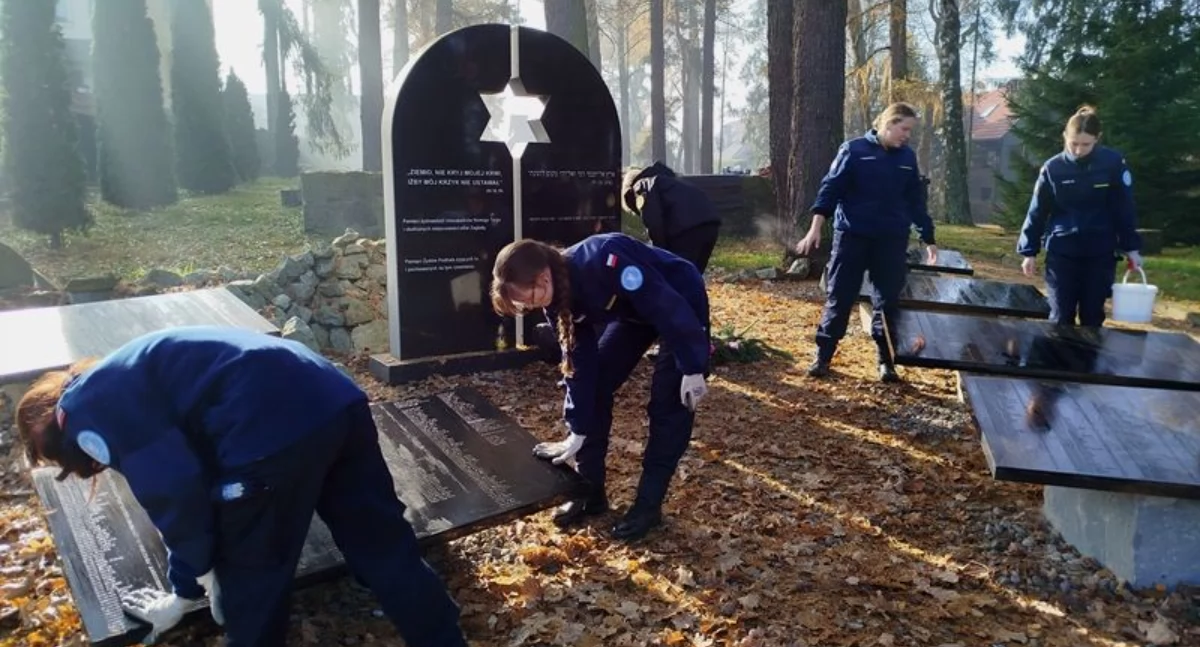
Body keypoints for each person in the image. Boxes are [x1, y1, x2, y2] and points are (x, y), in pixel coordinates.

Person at [15, 327, 467, 647]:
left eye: (63, 459)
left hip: (266, 425)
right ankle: (443, 638)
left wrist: (185, 587)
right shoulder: (121, 372)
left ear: (47, 426)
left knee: (252, 579)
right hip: (334, 397)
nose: (82, 464)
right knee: (382, 543)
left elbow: (176, 492)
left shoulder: (84, 411)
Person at [491, 232, 710, 542]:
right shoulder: (554, 297)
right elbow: (578, 366)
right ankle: (590, 493)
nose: (527, 308)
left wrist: (692, 365)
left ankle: (648, 506)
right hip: (634, 314)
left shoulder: (605, 259)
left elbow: (664, 305)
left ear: (542, 276)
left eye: (527, 300)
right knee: (594, 389)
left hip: (679, 302)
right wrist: (577, 429)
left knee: (670, 403)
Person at [795, 102, 938, 383]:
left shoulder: (907, 158)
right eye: (904, 129)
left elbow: (915, 201)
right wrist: (815, 228)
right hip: (852, 237)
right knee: (840, 297)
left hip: (891, 240)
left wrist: (928, 238)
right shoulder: (854, 150)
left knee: (887, 302)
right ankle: (823, 356)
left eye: (910, 130)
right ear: (888, 123)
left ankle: (886, 361)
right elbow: (830, 189)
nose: (907, 135)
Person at [1017, 105, 1142, 327]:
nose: (1078, 150)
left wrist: (1131, 248)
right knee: (1060, 316)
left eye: (1086, 144)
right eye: (1073, 143)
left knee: (1092, 316)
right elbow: (1037, 210)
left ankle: (1088, 361)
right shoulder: (1052, 168)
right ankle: (1057, 361)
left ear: (1097, 139)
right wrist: (1029, 251)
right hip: (1062, 251)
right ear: (1065, 136)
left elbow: (1124, 209)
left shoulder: (1112, 164)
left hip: (1100, 252)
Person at [621, 161, 722, 272]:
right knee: (693, 276)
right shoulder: (669, 183)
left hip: (686, 230)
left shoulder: (640, 186)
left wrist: (658, 253)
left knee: (677, 275)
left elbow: (654, 221)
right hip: (710, 224)